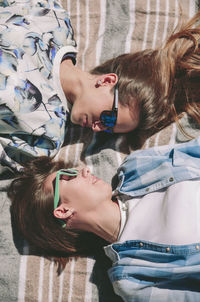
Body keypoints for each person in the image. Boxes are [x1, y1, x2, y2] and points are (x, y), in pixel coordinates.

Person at [0, 1, 200, 172]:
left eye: (106, 129)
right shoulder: (55, 22)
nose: (97, 127)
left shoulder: (45, 139)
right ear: (106, 81)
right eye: (108, 118)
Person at [8, 136, 200, 301]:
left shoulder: (137, 166)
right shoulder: (133, 279)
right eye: (68, 176)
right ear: (63, 211)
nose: (85, 171)